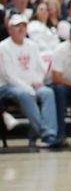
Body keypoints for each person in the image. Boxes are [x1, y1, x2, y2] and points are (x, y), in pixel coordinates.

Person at [0, 14, 59, 147]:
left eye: (23, 26)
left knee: (48, 92)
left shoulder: (32, 45)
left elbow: (40, 68)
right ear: (10, 30)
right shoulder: (3, 47)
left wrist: (38, 81)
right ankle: (45, 134)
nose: (21, 29)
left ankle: (47, 134)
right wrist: (29, 88)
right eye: (17, 26)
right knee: (24, 94)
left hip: (32, 84)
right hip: (7, 87)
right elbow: (8, 76)